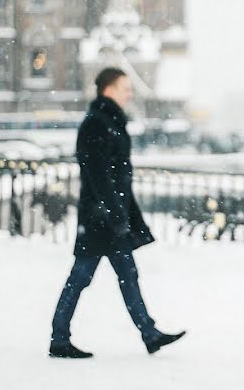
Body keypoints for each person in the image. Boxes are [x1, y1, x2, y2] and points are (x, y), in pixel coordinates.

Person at [49, 67, 186, 358]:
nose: (130, 92)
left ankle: (148, 333)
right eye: (126, 87)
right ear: (109, 89)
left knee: (125, 274)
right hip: (101, 218)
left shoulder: (108, 121)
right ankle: (59, 338)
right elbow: (99, 175)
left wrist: (123, 213)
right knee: (82, 277)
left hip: (109, 216)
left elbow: (116, 175)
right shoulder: (97, 124)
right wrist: (115, 212)